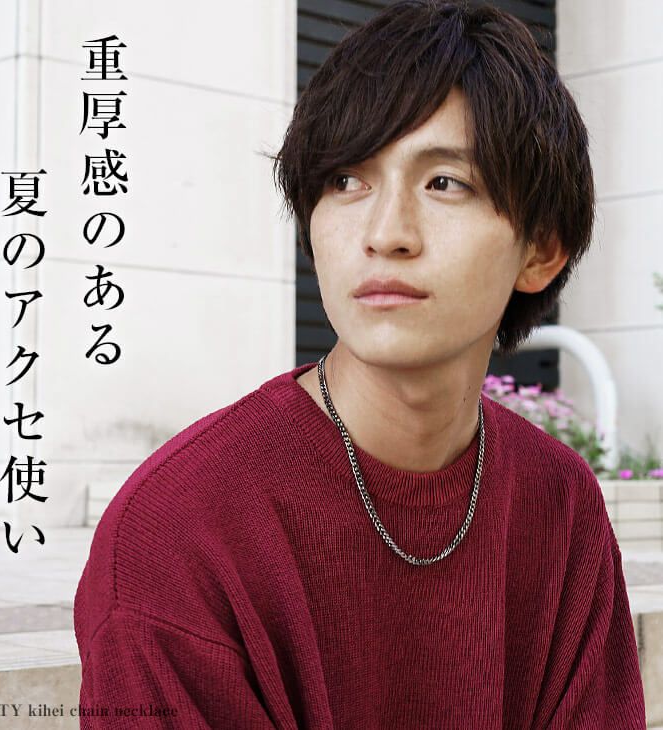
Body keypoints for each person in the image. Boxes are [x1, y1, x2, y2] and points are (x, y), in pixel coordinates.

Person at [74, 1, 647, 727]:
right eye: (346, 180)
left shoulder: (560, 504)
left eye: (446, 182)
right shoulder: (178, 530)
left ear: (541, 250)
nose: (385, 233)